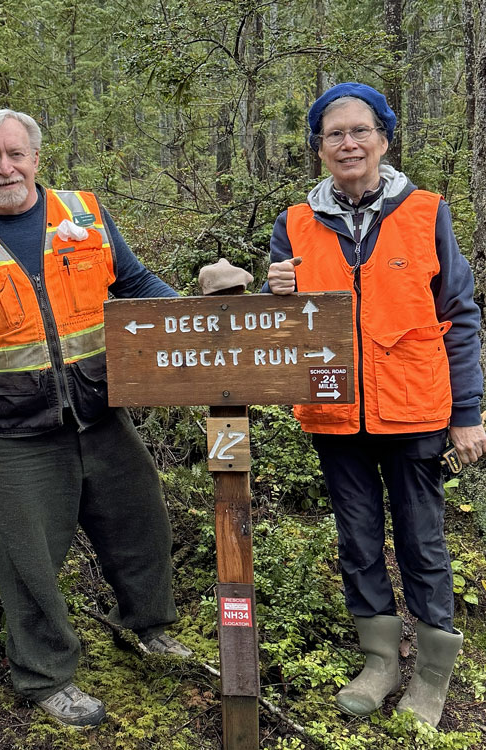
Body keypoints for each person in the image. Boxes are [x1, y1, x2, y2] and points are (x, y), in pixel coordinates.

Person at [0, 108, 190, 729]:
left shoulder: (84, 216)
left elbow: (137, 283)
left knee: (139, 518)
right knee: (29, 557)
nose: (6, 167)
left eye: (16, 154)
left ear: (37, 160)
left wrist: (199, 323)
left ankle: (150, 627)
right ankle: (46, 677)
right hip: (13, 429)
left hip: (99, 410)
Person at [266, 82, 486, 729]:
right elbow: (283, 328)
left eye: (360, 130)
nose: (348, 143)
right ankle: (381, 662)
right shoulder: (295, 223)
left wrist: (468, 413)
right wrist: (274, 292)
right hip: (336, 413)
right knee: (358, 541)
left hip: (416, 410)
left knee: (422, 542)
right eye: (334, 134)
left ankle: (432, 677)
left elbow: (461, 317)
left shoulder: (424, 213)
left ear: (384, 140)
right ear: (320, 149)